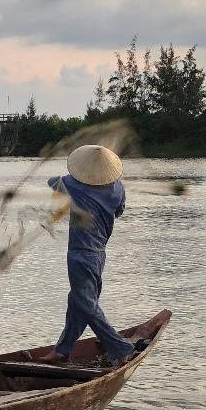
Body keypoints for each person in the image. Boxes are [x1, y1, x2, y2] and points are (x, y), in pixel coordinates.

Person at [43, 144, 138, 366]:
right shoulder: (118, 189)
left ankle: (120, 346)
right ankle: (62, 349)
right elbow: (119, 211)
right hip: (99, 254)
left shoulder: (71, 184)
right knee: (77, 301)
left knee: (85, 304)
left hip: (80, 254)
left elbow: (52, 182)